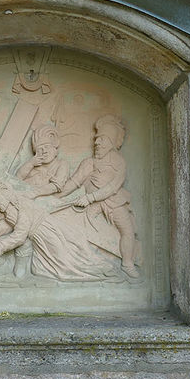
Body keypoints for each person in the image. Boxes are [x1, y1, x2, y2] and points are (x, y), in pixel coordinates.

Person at [55, 114, 141, 278]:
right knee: (80, 229)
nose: (96, 143)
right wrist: (57, 197)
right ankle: (86, 262)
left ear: (111, 142)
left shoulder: (118, 162)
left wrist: (90, 198)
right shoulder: (89, 163)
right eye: (96, 139)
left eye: (101, 139)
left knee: (128, 231)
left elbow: (113, 187)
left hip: (114, 203)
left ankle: (127, 264)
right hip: (92, 206)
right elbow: (74, 182)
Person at [0, 180, 111, 282]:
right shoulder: (8, 212)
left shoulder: (21, 203)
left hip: (48, 227)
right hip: (41, 236)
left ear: (6, 193)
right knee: (61, 262)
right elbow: (1, 229)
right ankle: (94, 270)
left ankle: (99, 266)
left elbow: (20, 234)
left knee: (74, 246)